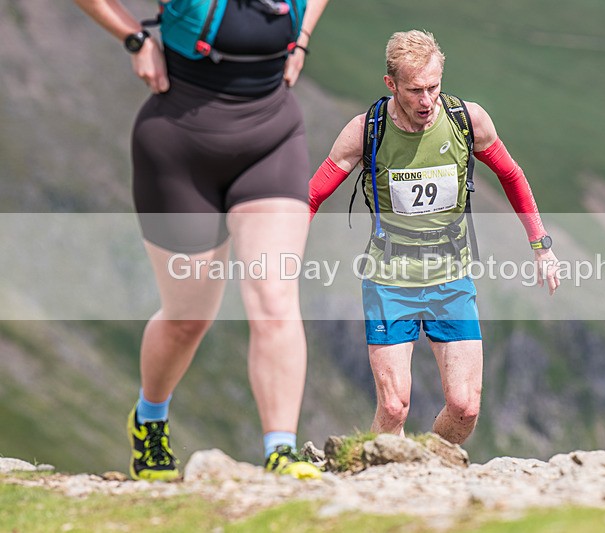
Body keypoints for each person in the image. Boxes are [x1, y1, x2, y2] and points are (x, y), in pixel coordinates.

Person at [73, 0, 329, 480]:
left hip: (271, 140)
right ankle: (149, 418)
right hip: (178, 149)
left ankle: (281, 452)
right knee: (188, 317)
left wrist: (303, 38)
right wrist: (133, 37)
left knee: (274, 296)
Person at [308, 30, 559, 445]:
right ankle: (370, 477)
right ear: (391, 84)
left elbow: (511, 175)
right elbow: (313, 195)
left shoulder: (466, 120)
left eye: (434, 88)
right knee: (393, 407)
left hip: (451, 276)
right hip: (390, 277)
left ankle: (426, 464)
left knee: (465, 408)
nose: (427, 101)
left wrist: (540, 246)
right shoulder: (365, 130)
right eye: (415, 90)